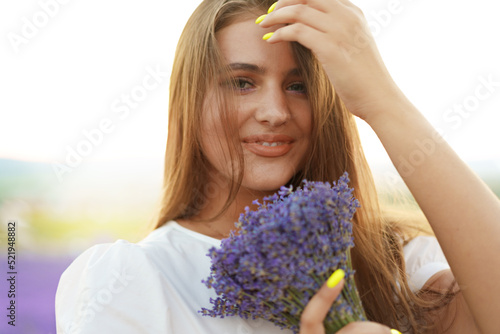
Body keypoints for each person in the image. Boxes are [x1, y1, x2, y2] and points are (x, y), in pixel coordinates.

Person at [55, 0, 500, 333]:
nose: (275, 111)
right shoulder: (135, 281)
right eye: (242, 82)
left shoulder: (395, 262)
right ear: (189, 102)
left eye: (299, 85)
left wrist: (381, 99)